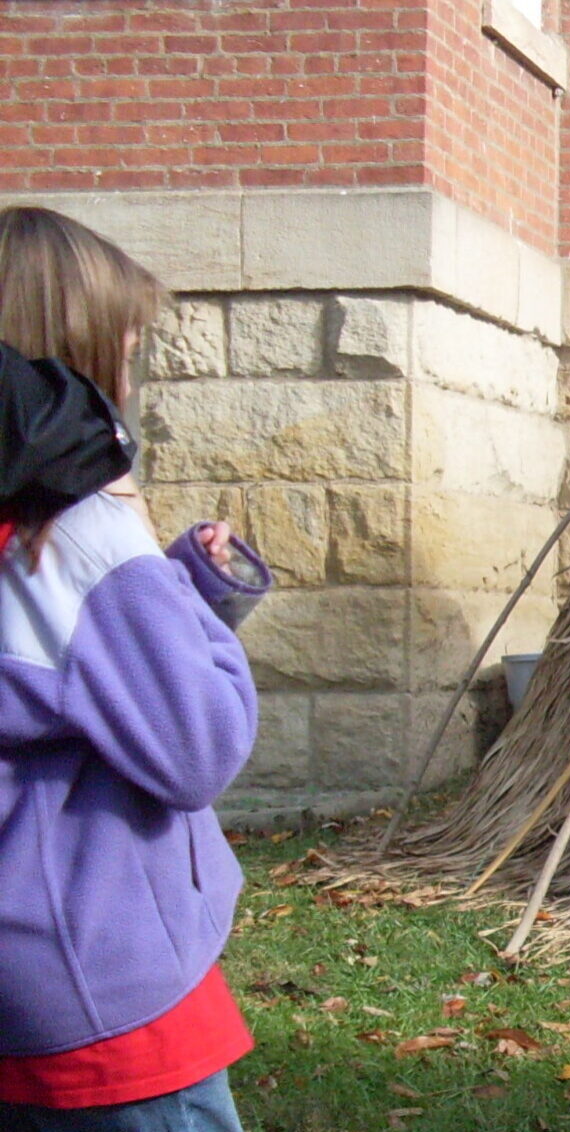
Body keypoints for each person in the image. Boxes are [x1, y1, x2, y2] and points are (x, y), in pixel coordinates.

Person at [1, 205, 269, 1131]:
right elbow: (196, 744)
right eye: (128, 340)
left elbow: (77, 677)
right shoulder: (82, 529)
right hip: (109, 992)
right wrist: (178, 588)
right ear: (77, 350)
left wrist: (171, 586)